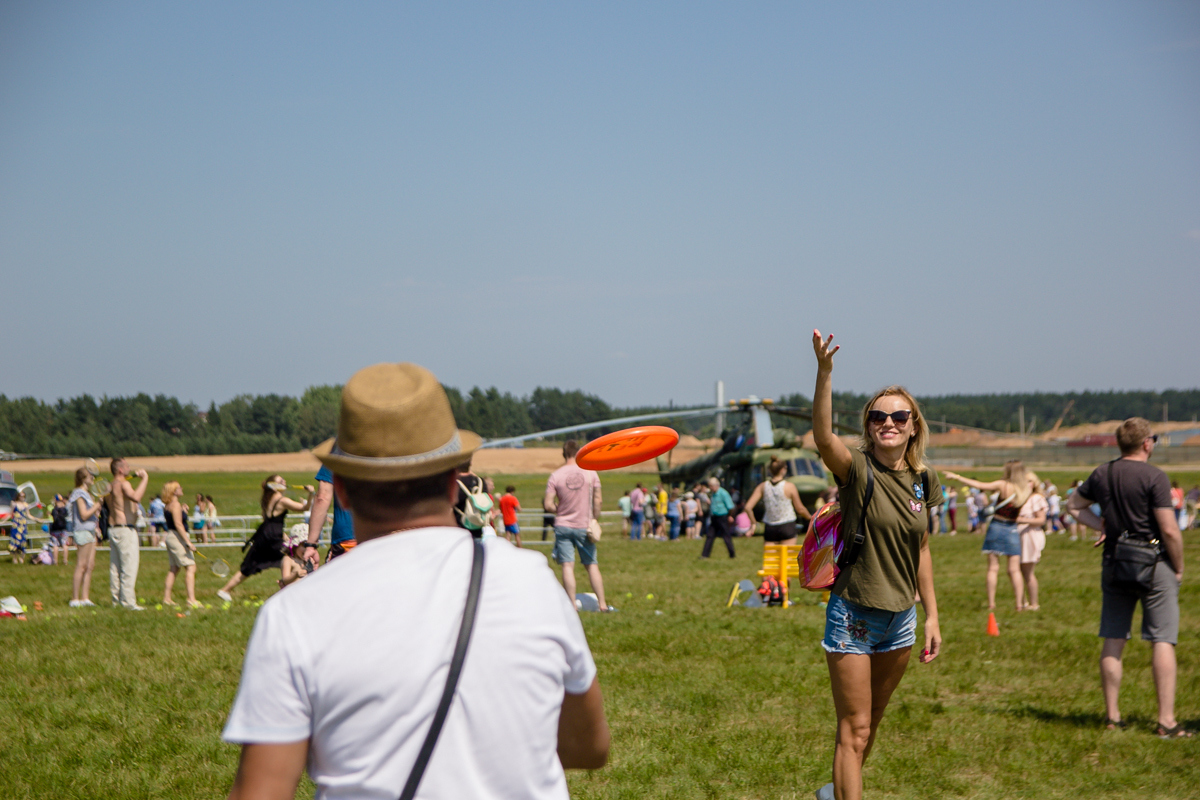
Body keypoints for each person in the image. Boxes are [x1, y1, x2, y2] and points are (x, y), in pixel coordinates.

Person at [222, 363, 609, 798]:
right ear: (454, 483)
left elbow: (262, 791)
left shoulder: (294, 614)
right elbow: (590, 747)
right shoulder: (532, 581)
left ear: (343, 491)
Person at [809, 329, 942, 800]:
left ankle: (839, 791)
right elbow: (823, 437)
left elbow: (921, 548)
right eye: (878, 416)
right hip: (854, 614)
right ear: (868, 426)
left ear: (913, 425)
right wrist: (825, 374)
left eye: (899, 415)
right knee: (856, 729)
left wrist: (932, 617)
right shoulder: (858, 470)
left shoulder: (925, 481)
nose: (889, 422)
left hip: (901, 619)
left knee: (872, 725)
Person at [1066, 418, 1190, 738]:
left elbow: (1074, 505)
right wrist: (1178, 566)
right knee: (1162, 639)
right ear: (1147, 443)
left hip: (1115, 559)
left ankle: (1112, 716)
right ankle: (1166, 720)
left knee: (1113, 637)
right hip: (1154, 561)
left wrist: (1102, 527)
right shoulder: (1155, 476)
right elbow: (1169, 529)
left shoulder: (1102, 473)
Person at [943, 461, 1033, 612]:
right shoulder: (1025, 488)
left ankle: (992, 604)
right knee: (1014, 570)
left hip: (997, 526)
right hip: (1012, 528)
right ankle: (1019, 604)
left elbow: (979, 485)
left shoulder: (1003, 485)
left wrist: (957, 477)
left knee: (993, 568)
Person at [217, 476, 313, 602]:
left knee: (250, 565)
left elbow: (270, 521)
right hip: (272, 537)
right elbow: (304, 508)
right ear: (274, 486)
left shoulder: (267, 499)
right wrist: (311, 493)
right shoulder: (282, 500)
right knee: (294, 559)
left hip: (264, 535)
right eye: (280, 481)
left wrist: (281, 534)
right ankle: (298, 588)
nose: (284, 482)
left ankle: (225, 590)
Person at [545, 439, 611, 611]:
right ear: (580, 452)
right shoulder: (591, 473)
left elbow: (548, 504)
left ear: (564, 453)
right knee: (591, 564)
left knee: (567, 565)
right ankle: (602, 605)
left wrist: (558, 509)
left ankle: (572, 605)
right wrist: (594, 517)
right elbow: (598, 500)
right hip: (584, 525)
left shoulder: (556, 475)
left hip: (563, 525)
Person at [107, 457, 150, 610]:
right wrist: (144, 479)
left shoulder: (110, 485)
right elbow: (136, 497)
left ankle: (116, 600)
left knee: (115, 568)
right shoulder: (124, 484)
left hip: (113, 529)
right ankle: (128, 602)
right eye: (126, 466)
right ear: (120, 470)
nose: (129, 468)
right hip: (125, 529)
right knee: (129, 567)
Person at [742, 456, 812, 546]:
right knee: (787, 557)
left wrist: (753, 523)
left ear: (770, 470)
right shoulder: (789, 486)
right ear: (783, 470)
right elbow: (800, 509)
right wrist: (809, 518)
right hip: (787, 525)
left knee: (770, 559)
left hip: (770, 526)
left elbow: (748, 507)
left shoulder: (763, 486)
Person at [304, 463, 356, 569]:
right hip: (387, 539)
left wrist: (311, 545)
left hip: (347, 540)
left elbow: (322, 498)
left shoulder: (337, 455)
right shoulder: (390, 451)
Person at [160, 482, 200, 608]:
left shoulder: (168, 505)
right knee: (191, 567)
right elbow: (178, 524)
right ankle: (191, 599)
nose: (181, 489)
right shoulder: (175, 505)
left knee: (174, 568)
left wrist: (183, 511)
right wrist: (188, 542)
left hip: (171, 536)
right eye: (178, 488)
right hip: (177, 537)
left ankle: (167, 598)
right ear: (173, 491)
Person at [69, 467, 102, 607]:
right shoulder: (79, 494)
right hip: (82, 531)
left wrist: (97, 510)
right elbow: (83, 514)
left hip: (90, 531)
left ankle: (85, 598)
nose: (93, 478)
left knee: (90, 566)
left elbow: (93, 515)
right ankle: (75, 599)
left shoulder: (88, 494)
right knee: (81, 565)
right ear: (83, 478)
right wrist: (97, 505)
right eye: (90, 476)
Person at [1017, 472, 1049, 611]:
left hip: (1029, 535)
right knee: (1016, 571)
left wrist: (1020, 520)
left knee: (1027, 572)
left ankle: (1034, 603)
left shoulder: (1036, 498)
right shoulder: (1020, 498)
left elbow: (1041, 520)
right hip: (1018, 535)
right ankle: (1022, 602)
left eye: (1029, 481)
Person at [700, 476, 735, 558]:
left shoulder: (723, 493)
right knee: (710, 536)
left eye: (711, 486)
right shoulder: (713, 494)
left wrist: (730, 516)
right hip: (714, 517)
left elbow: (731, 506)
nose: (710, 488)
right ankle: (705, 555)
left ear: (716, 485)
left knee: (726, 536)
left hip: (722, 517)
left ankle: (732, 554)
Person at [9, 489, 32, 564]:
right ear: (18, 496)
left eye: (23, 496)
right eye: (21, 496)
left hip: (23, 525)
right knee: (15, 541)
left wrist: (36, 519)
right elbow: (10, 514)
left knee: (23, 541)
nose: (22, 498)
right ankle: (15, 558)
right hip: (16, 525)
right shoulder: (14, 504)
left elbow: (28, 515)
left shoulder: (26, 505)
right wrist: (3, 520)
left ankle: (22, 558)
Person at [48, 494, 71, 565]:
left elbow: (53, 517)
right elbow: (66, 514)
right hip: (63, 529)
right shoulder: (64, 509)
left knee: (55, 545)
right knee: (65, 545)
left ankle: (55, 561)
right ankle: (65, 560)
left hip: (55, 529)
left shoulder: (54, 509)